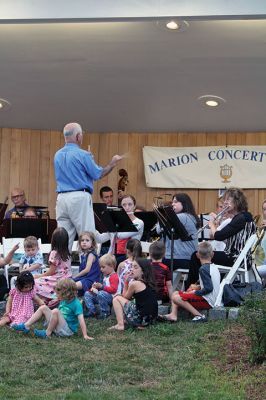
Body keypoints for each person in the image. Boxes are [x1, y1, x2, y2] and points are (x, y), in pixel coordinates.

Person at [54, 122, 123, 251]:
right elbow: (98, 174)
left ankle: (61, 268)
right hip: (79, 197)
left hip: (61, 198)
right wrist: (112, 163)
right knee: (87, 236)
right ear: (78, 136)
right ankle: (88, 269)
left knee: (63, 238)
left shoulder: (57, 155)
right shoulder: (83, 154)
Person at [186, 187, 256, 288]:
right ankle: (200, 287)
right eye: (225, 200)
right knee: (199, 255)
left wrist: (212, 224)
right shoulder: (245, 216)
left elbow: (218, 236)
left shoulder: (241, 218)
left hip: (234, 258)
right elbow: (231, 239)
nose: (225, 203)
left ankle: (192, 289)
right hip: (239, 259)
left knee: (196, 255)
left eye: (228, 200)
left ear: (237, 201)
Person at [12, 278, 93, 340]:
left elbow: (81, 320)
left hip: (67, 331)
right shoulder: (64, 299)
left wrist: (85, 335)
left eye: (58, 293)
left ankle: (47, 333)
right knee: (43, 307)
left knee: (55, 311)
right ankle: (26, 326)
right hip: (59, 326)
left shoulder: (76, 304)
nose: (56, 295)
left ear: (66, 293)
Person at [160, 241, 220, 323]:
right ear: (212, 254)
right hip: (212, 299)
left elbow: (209, 288)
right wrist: (197, 287)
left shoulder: (203, 269)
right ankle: (173, 315)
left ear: (197, 255)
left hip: (207, 301)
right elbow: (210, 285)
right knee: (175, 293)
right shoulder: (214, 267)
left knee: (175, 297)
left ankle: (199, 316)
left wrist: (195, 292)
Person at [108, 258, 158, 331]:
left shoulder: (135, 284)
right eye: (131, 266)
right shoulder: (149, 283)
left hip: (141, 320)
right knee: (133, 301)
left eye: (135, 267)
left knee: (117, 298)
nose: (131, 269)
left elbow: (125, 297)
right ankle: (127, 321)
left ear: (143, 271)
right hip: (151, 320)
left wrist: (126, 282)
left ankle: (120, 325)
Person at [161, 193, 200, 270]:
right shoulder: (190, 216)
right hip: (188, 258)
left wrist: (162, 214)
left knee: (152, 265)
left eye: (175, 202)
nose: (172, 204)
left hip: (179, 258)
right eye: (172, 202)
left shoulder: (182, 216)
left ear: (184, 203)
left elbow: (159, 229)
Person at [34, 227, 72, 302]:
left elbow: (51, 272)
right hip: (68, 278)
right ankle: (48, 298)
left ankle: (48, 298)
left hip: (58, 279)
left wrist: (38, 276)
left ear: (53, 240)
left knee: (35, 282)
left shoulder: (54, 253)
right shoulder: (67, 253)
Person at [84, 254, 119, 318]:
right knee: (87, 294)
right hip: (102, 296)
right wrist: (95, 288)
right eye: (100, 267)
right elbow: (103, 289)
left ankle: (105, 313)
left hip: (112, 298)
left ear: (111, 266)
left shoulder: (114, 276)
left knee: (101, 293)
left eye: (103, 267)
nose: (101, 269)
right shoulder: (105, 276)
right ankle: (92, 311)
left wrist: (101, 287)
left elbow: (114, 290)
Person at [115, 195, 144, 263]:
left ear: (134, 206)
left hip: (131, 256)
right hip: (116, 253)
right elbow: (102, 238)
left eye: (130, 204)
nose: (127, 207)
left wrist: (113, 226)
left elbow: (121, 235)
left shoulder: (139, 222)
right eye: (124, 205)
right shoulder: (118, 222)